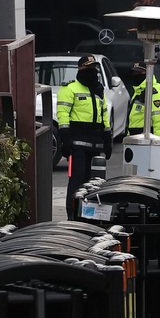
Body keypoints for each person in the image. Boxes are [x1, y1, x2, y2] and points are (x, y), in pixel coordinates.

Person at [57, 55, 112, 215]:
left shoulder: (97, 90)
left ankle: (89, 216)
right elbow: (63, 115)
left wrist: (107, 140)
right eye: (88, 68)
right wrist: (65, 139)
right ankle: (72, 215)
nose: (92, 71)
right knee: (76, 183)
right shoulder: (70, 89)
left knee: (95, 184)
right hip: (78, 147)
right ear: (80, 69)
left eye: (94, 68)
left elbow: (104, 116)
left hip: (96, 146)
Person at [127, 63, 160, 137]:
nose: (136, 75)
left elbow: (159, 119)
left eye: (139, 72)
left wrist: (158, 142)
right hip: (136, 138)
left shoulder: (153, 92)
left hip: (147, 139)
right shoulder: (138, 91)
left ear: (147, 74)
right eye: (135, 72)